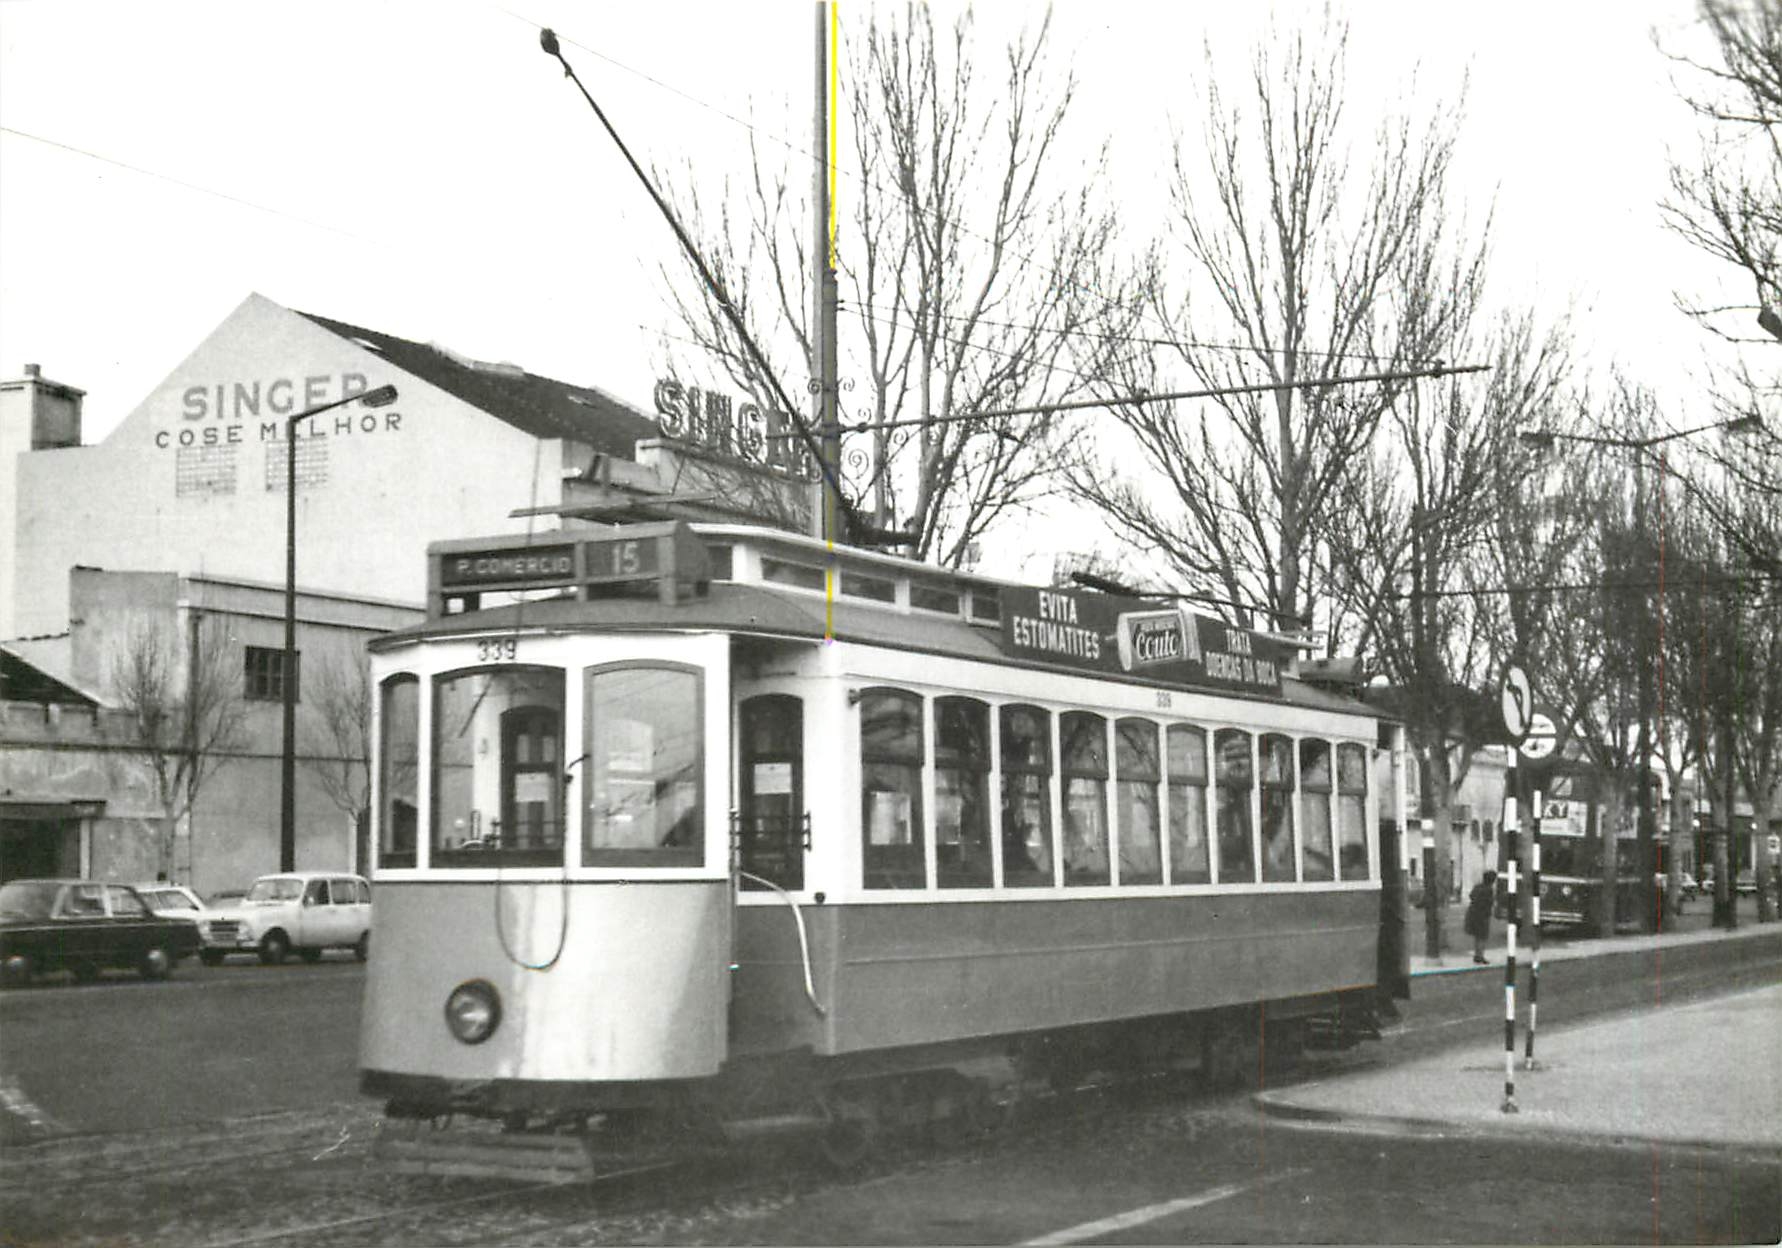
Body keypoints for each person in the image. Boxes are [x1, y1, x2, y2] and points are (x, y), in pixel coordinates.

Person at [1465, 870, 1497, 965]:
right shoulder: (1489, 890)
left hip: (1473, 913)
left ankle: (1477, 955)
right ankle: (1480, 956)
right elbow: (1489, 902)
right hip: (1482, 915)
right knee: (1482, 936)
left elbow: (1471, 896)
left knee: (1477, 936)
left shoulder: (1477, 887)